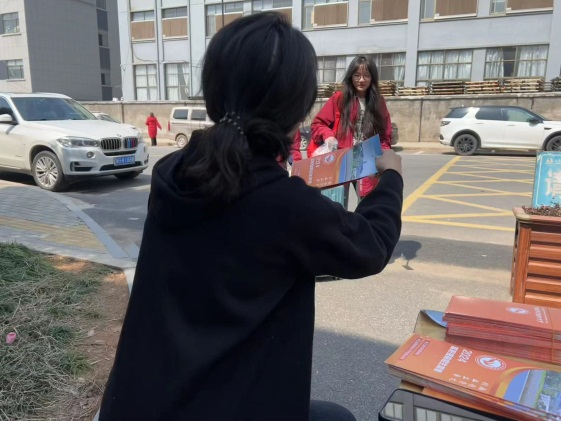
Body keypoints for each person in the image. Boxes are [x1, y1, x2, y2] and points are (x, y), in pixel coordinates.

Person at [99, 12, 403, 421]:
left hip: (141, 401)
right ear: (297, 108)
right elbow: (371, 245)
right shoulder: (284, 204)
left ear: (213, 89)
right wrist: (391, 178)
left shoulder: (170, 172)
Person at [309, 55, 393, 198]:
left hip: (367, 161)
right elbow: (318, 123)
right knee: (337, 204)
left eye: (366, 75)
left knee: (367, 203)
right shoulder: (339, 99)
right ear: (351, 76)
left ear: (372, 78)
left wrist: (382, 157)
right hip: (342, 160)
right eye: (357, 75)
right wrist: (328, 136)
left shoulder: (378, 102)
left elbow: (385, 135)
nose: (361, 80)